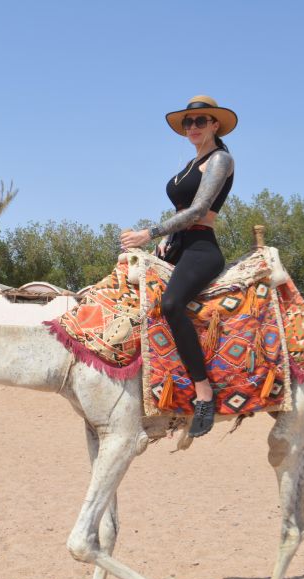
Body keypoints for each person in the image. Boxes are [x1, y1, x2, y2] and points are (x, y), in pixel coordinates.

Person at [120, 95, 237, 437]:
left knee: (171, 304)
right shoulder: (190, 163)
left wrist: (149, 232)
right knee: (129, 287)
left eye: (200, 121)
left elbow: (199, 211)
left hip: (201, 247)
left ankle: (203, 391)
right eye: (188, 122)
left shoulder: (220, 159)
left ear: (215, 124)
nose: (193, 127)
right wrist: (160, 242)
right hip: (177, 246)